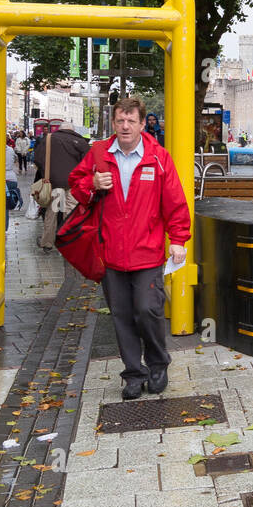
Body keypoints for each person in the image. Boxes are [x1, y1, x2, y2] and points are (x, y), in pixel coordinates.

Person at [69, 98, 190, 400]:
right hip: (110, 252)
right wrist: (93, 183)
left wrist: (178, 239)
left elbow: (175, 202)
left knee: (147, 309)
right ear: (113, 123)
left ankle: (158, 365)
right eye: (120, 120)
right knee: (121, 315)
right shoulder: (98, 154)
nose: (125, 126)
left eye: (131, 121)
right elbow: (76, 187)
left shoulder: (158, 157)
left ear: (141, 123)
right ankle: (133, 373)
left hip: (147, 251)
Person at [34, 122, 92, 250]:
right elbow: (89, 162)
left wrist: (46, 173)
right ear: (72, 130)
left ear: (60, 129)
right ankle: (70, 243)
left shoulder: (49, 139)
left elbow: (37, 158)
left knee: (52, 212)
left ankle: (47, 242)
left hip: (54, 183)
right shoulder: (80, 142)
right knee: (71, 212)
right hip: (73, 184)